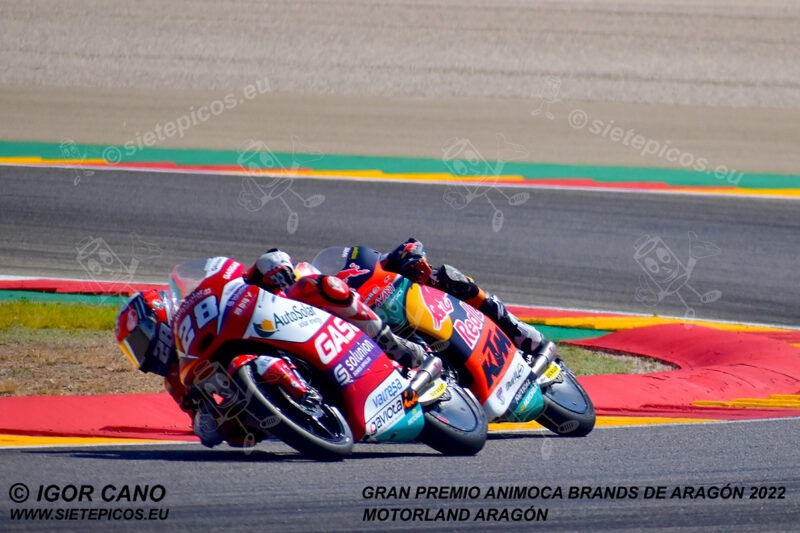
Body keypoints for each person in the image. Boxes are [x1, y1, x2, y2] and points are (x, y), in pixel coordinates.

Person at [115, 253, 437, 447]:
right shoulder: (177, 379)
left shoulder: (202, 311)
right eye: (133, 350)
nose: (141, 355)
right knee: (235, 436)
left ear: (159, 319)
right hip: (272, 407)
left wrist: (270, 266)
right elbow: (208, 433)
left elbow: (255, 271)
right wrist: (208, 414)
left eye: (140, 342)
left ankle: (392, 344)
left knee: (318, 287)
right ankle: (305, 414)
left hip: (287, 317)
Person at [381, 238, 556, 363]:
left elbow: (409, 246)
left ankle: (516, 329)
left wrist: (411, 257)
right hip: (387, 332)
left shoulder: (357, 258)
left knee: (447, 277)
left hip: (415, 303)